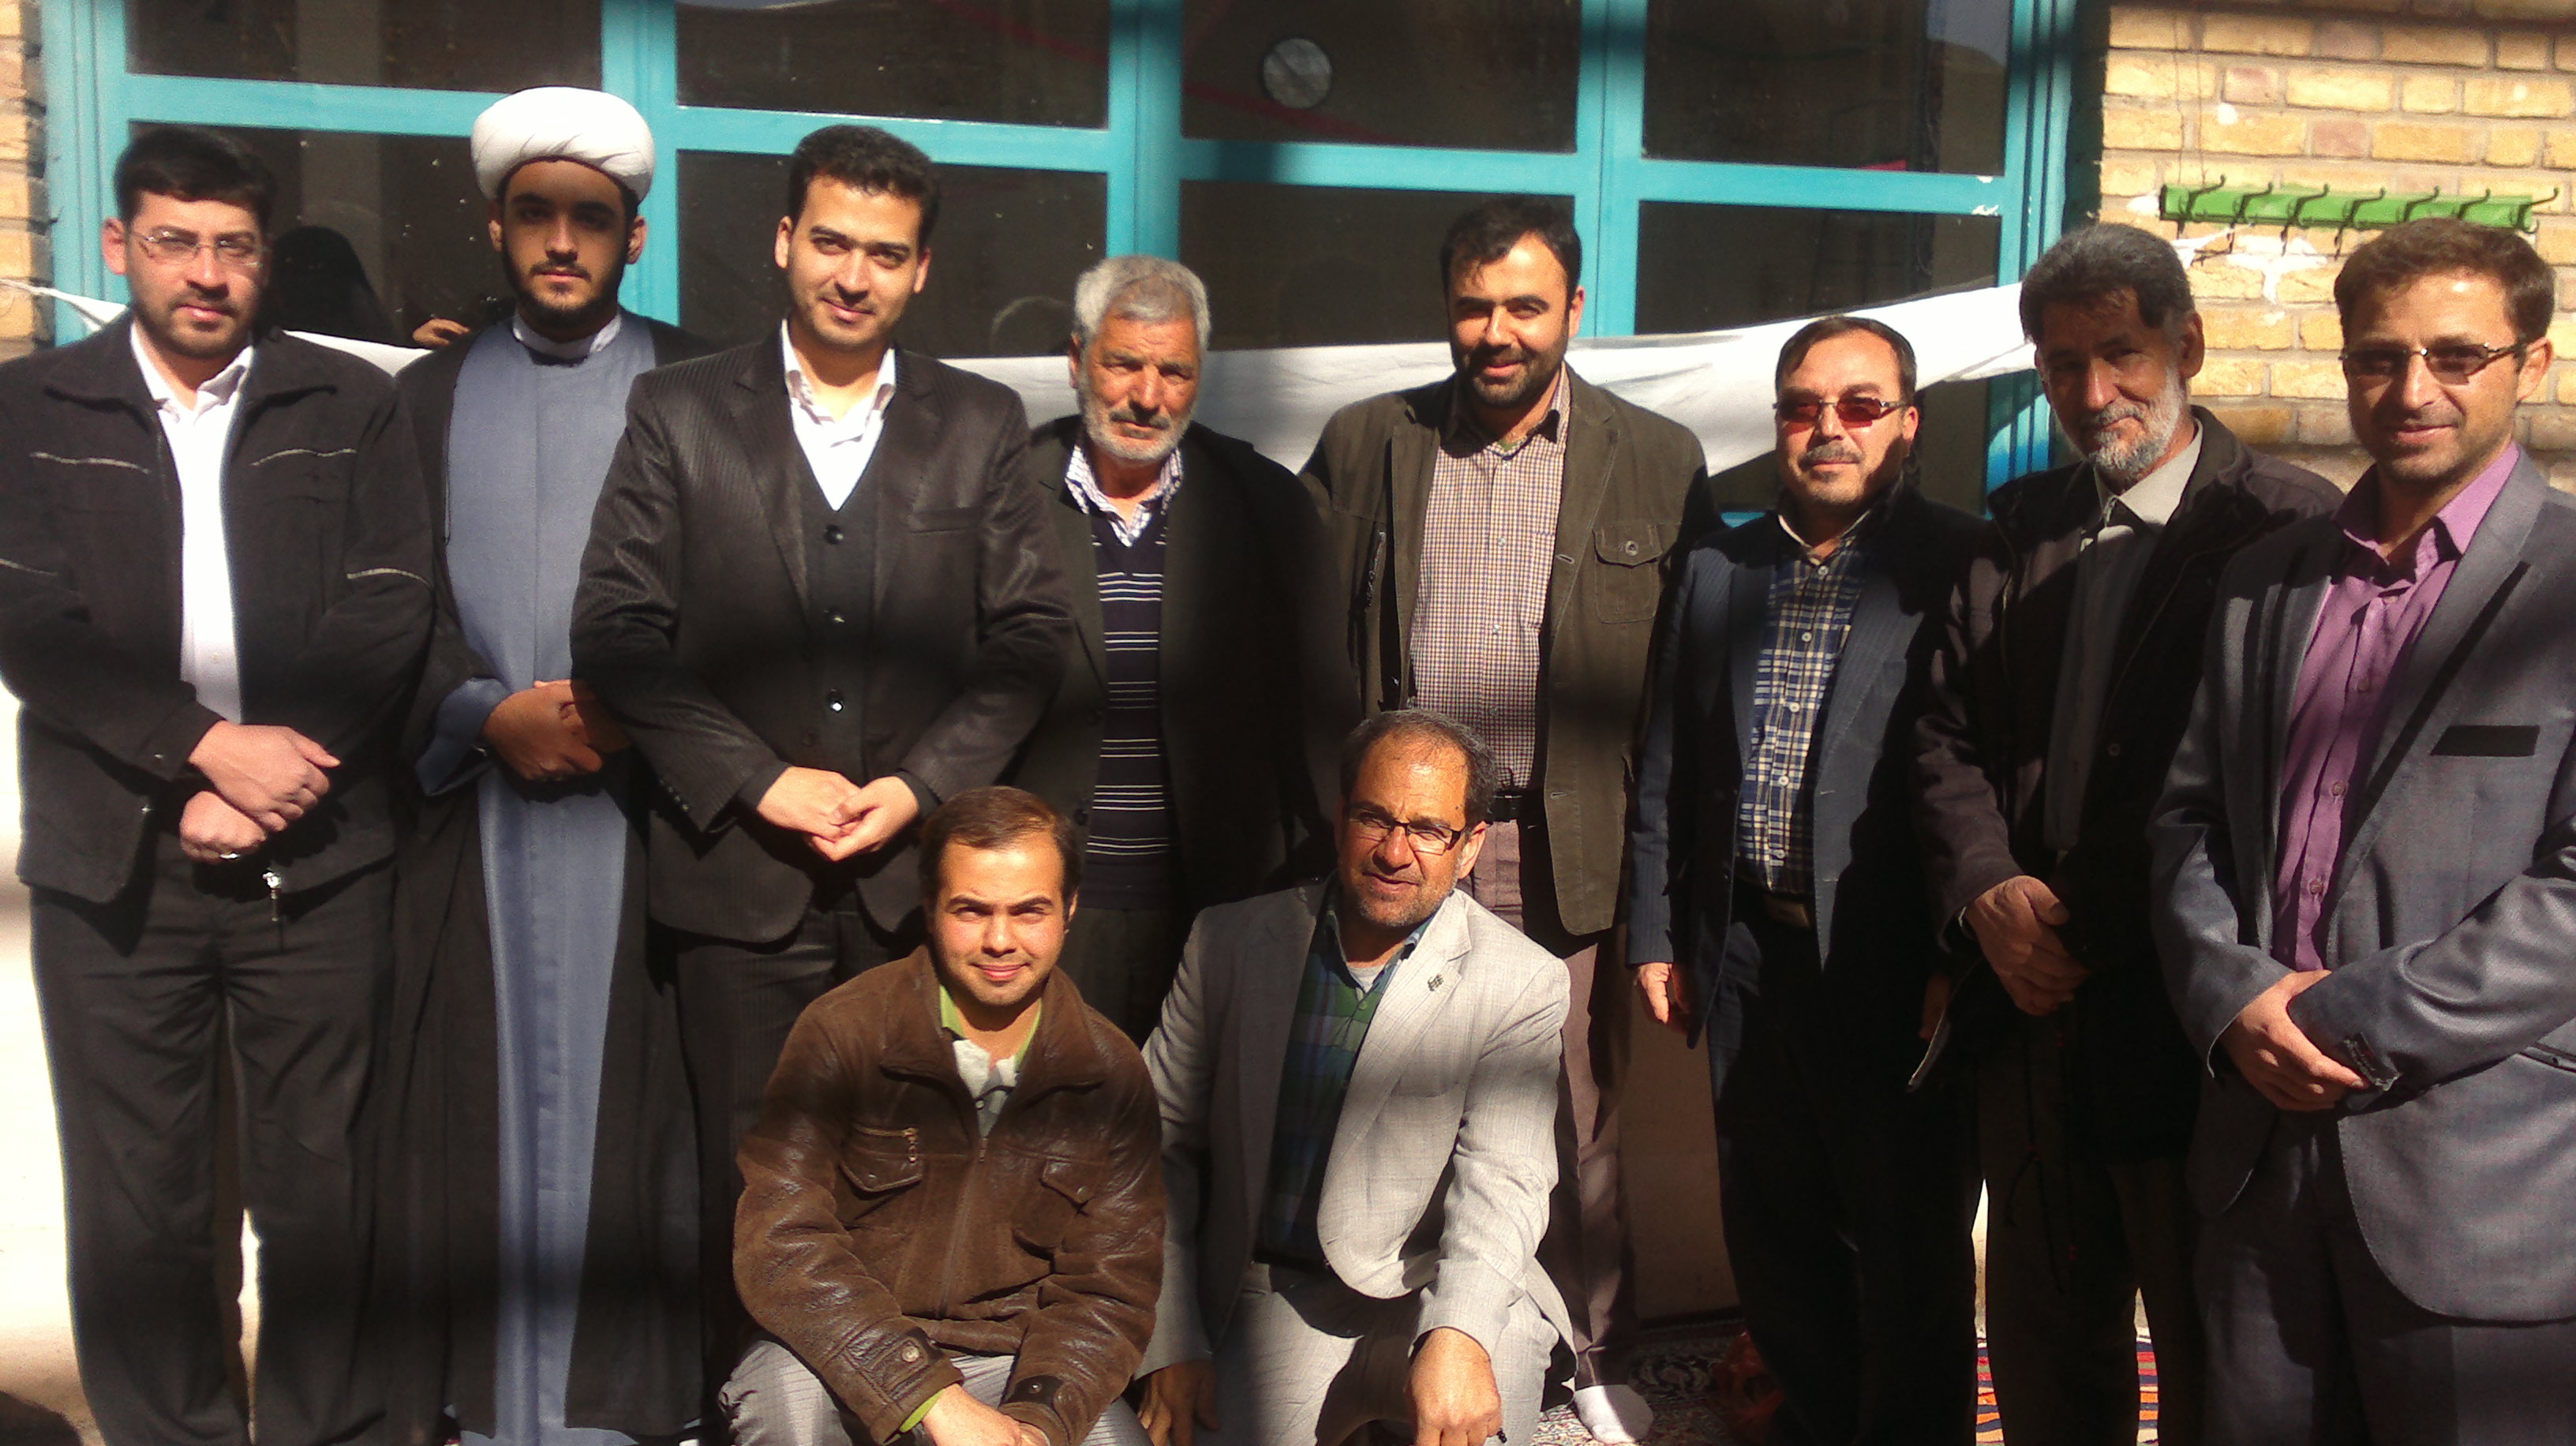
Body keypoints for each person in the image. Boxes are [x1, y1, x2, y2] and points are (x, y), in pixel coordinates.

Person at [571, 122, 1073, 1388]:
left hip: (919, 891)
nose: (854, 276)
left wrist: (921, 788)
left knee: (924, 1180)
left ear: (922, 271)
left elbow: (1029, 639)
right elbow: (617, 633)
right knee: (756, 1184)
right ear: (784, 241)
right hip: (737, 886)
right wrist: (758, 780)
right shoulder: (680, 411)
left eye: (885, 254)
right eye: (833, 243)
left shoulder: (980, 421)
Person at [0, 126, 431, 1446]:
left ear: (265, 257)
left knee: (324, 1192)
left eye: (232, 246)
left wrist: (272, 776)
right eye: (175, 241)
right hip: (112, 863)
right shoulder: (32, 408)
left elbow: (390, 604)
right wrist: (199, 749)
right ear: (121, 246)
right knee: (144, 1204)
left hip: (319, 850)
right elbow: (30, 620)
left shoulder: (346, 402)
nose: (205, 272)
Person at [1911, 223, 2337, 1444]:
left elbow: (2266, 772)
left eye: (2121, 355)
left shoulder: (2285, 528)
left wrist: (2077, 925)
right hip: (2025, 1009)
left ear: (2187, 346)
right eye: (2062, 365)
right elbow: (1941, 732)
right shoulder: (2016, 523)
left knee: (2210, 1348)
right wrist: (1986, 890)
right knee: (2044, 1342)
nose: (2093, 393)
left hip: (2183, 1013)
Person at [2151, 218, 2576, 1442]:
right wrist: (2233, 997)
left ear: (2531, 365)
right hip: (2257, 1167)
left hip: (2480, 1184)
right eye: (2380, 358)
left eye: (2457, 356)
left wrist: (2344, 1017)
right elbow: (2188, 818)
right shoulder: (2267, 581)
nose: (2413, 390)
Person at [1298, 198, 1708, 1440]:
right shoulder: (1370, 443)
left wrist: (1665, 899)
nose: (1497, 331)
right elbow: (1312, 662)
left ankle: (1585, 1370)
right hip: (1404, 851)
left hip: (1562, 855)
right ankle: (1414, 1357)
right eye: (1474, 306)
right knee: (1386, 1105)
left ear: (1574, 309)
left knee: (1570, 1126)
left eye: (1525, 306)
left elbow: (1686, 698)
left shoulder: (1657, 458)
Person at [380, 87, 714, 1446]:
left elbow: (750, 588)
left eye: (592, 217)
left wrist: (645, 712)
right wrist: (479, 710)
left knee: (644, 1133)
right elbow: (378, 600)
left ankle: (621, 1418)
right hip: (473, 823)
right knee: (472, 1122)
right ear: (495, 228)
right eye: (536, 215)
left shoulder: (708, 389)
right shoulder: (422, 398)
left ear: (637, 236)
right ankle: (484, 1412)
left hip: (645, 825)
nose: (562, 241)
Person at [1627, 317, 1983, 1445]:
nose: (1830, 428)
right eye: (1802, 406)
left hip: (1894, 968)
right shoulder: (1720, 565)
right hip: (1745, 957)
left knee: (1907, 1249)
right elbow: (1667, 761)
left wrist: (1958, 955)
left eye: (1861, 405)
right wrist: (1656, 932)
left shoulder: (1960, 563)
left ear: (1908, 423)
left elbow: (1985, 775)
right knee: (1774, 1237)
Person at [1135, 710, 1570, 1446]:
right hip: (1274, 1293)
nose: (1395, 853)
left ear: (1470, 846)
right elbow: (1151, 1149)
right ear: (1340, 818)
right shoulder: (1230, 944)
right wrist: (1171, 1339)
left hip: (1434, 1290)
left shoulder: (1522, 980)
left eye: (1428, 830)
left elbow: (1506, 1179)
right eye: (1375, 818)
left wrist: (1461, 1334)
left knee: (1486, 1381)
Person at [726, 787, 1165, 1446]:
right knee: (780, 1405)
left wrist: (1035, 1427)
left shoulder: (1111, 1072)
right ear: (931, 908)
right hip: (840, 1348)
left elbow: (1110, 1291)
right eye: (972, 910)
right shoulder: (845, 1031)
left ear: (1069, 910)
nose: (1000, 940)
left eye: (1029, 912)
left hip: (1010, 1363)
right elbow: (782, 1244)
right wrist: (928, 1397)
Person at [1009, 254, 1354, 1040]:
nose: (1148, 396)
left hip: (1219, 911)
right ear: (1076, 359)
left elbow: (1318, 712)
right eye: (1124, 364)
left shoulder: (1264, 505)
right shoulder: (1000, 492)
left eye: (1175, 372)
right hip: (1041, 910)